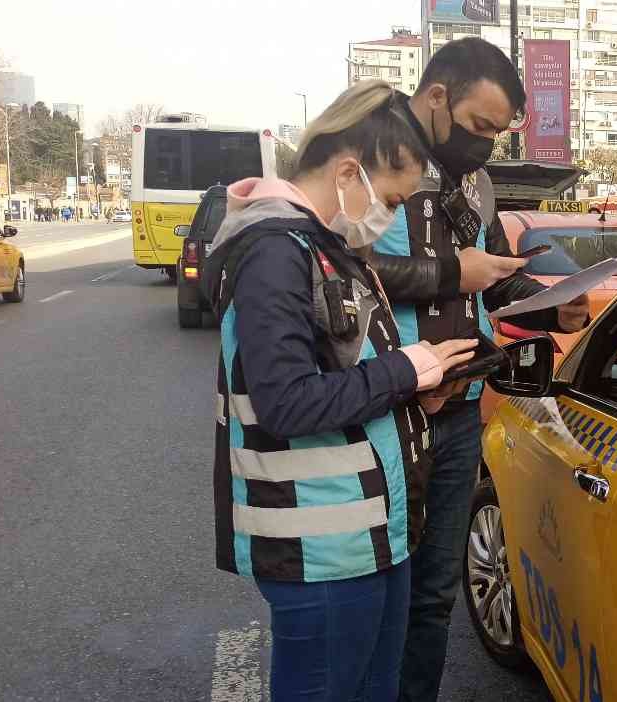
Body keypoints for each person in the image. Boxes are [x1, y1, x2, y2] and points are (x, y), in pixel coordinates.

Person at [204, 80, 477, 702]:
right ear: (349, 171)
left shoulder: (324, 246)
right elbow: (286, 401)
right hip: (323, 550)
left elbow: (341, 377)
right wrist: (405, 370)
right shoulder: (275, 248)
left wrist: (414, 391)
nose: (388, 214)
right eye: (390, 197)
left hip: (368, 538)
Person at [360, 37, 590, 702]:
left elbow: (490, 282)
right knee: (377, 588)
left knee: (434, 594)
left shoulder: (475, 183)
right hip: (386, 409)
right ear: (437, 98)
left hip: (460, 409)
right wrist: (450, 271)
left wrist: (551, 314)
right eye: (479, 126)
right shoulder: (371, 166)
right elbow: (345, 273)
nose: (485, 143)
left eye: (497, 131)